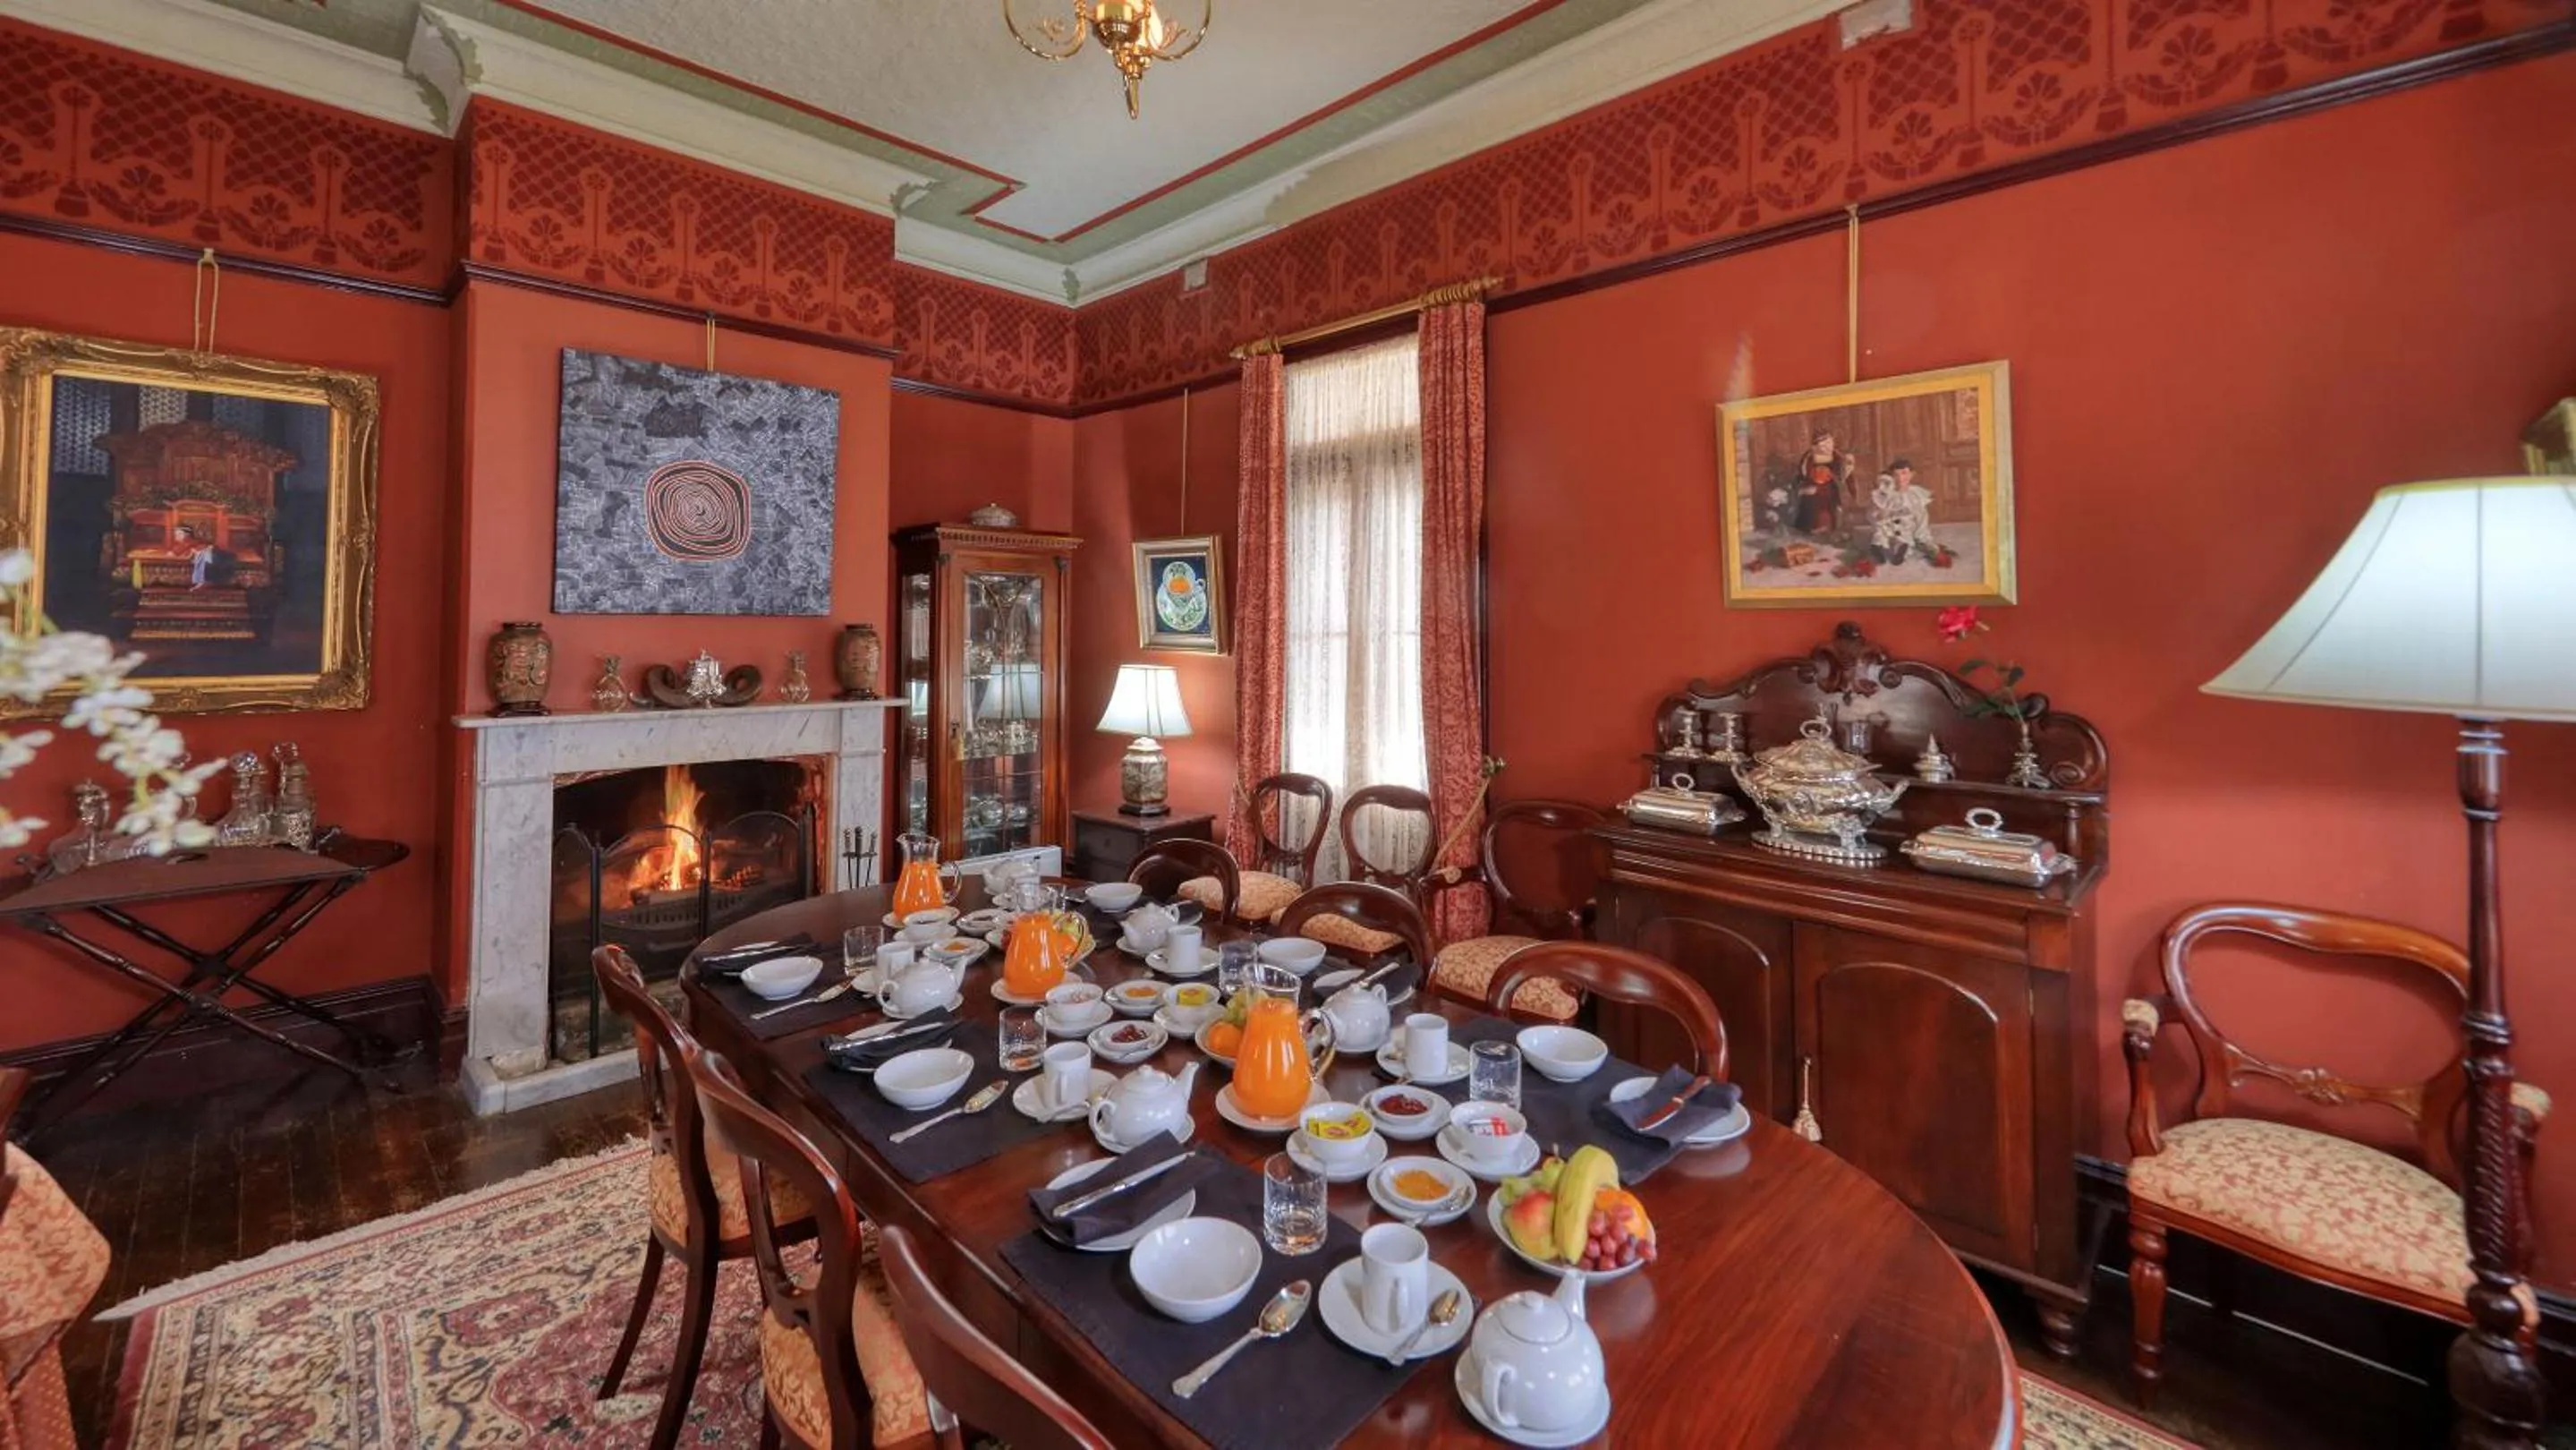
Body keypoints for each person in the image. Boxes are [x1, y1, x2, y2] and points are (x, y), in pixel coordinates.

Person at [1788, 430, 1856, 537]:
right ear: (1816, 446)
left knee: (1830, 501)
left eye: (1830, 443)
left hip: (1832, 487)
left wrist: (1847, 469)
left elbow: (1842, 475)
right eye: (1824, 445)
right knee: (1813, 500)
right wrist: (1807, 486)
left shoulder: (1837, 456)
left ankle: (1830, 528)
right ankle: (1812, 528)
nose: (1828, 447)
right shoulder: (1809, 457)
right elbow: (1803, 474)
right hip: (1813, 486)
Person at [1870, 458, 1937, 564]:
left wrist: (1924, 540)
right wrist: (1879, 515)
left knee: (1904, 540)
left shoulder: (1915, 496)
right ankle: (1878, 550)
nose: (1900, 478)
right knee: (1880, 536)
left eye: (1904, 473)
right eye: (1896, 475)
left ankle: (1900, 552)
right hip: (1887, 527)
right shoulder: (1885, 494)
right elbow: (1873, 515)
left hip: (1905, 528)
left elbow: (1921, 520)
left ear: (1912, 474)